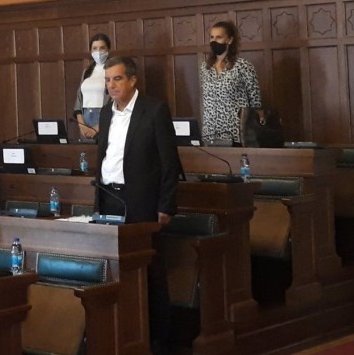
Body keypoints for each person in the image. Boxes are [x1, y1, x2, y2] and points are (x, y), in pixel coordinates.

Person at [95, 56, 180, 355]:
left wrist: (166, 205)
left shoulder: (154, 110)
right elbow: (105, 154)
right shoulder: (106, 113)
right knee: (115, 269)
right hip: (109, 197)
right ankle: (127, 333)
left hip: (141, 201)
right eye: (108, 80)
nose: (111, 85)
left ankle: (159, 340)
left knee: (149, 271)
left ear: (132, 80)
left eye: (117, 79)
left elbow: (169, 162)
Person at [199, 20, 263, 145]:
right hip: (210, 133)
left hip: (235, 133)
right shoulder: (205, 67)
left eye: (219, 37)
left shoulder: (243, 66)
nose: (214, 41)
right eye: (212, 37)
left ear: (229, 40)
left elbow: (255, 102)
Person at [73, 33, 111, 140]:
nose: (98, 52)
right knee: (86, 150)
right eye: (95, 48)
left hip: (103, 117)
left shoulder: (112, 70)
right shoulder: (87, 72)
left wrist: (98, 127)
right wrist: (81, 124)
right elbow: (79, 98)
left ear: (108, 49)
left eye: (102, 48)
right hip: (85, 117)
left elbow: (115, 100)